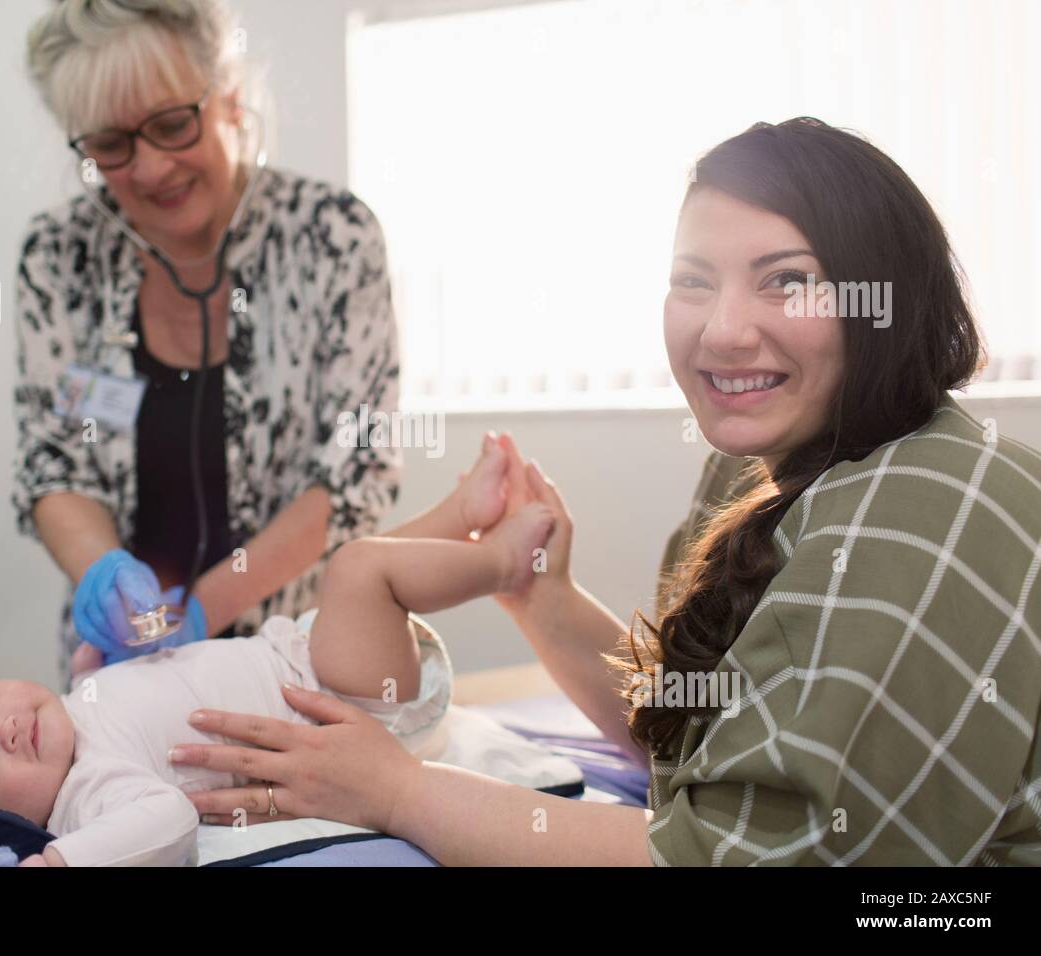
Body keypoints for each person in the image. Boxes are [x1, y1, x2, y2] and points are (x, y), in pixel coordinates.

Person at [171, 118, 1041, 866]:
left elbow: (728, 857)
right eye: (692, 280)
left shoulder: (924, 513)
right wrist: (540, 597)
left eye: (786, 279)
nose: (723, 330)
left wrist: (401, 791)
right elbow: (701, 736)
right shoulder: (770, 463)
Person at [0, 438, 551, 866]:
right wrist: (65, 860)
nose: (6, 729)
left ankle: (461, 518)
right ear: (1, 825)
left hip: (301, 655)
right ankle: (502, 565)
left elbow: (118, 696)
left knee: (354, 585)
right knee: (361, 573)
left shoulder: (69, 716)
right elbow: (168, 824)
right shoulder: (88, 797)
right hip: (351, 714)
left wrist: (103, 656)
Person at [14, 0, 400, 688]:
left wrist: (192, 617)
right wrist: (107, 581)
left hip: (299, 661)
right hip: (118, 672)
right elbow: (53, 464)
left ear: (228, 99)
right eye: (111, 144)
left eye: (170, 124)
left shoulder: (332, 237)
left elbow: (354, 468)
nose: (152, 168)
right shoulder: (60, 256)